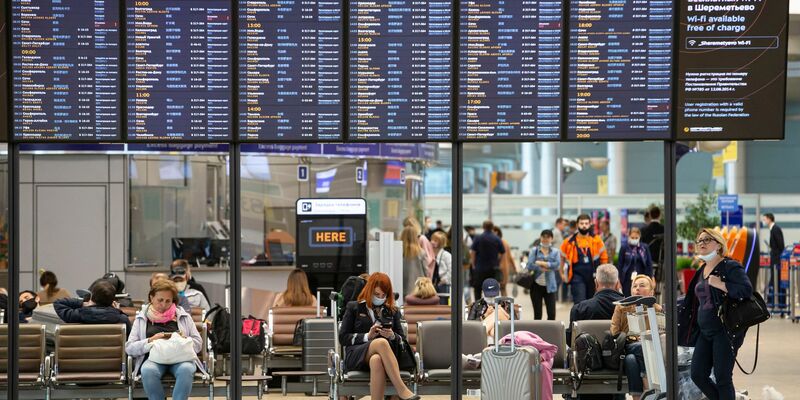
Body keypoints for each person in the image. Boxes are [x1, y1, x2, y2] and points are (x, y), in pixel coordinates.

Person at [678, 228, 752, 400]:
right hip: (705, 332)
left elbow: (746, 290)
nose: (702, 243)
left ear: (718, 244)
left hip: (724, 330)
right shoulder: (701, 270)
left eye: (706, 240)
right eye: (699, 241)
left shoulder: (729, 266)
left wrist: (722, 285)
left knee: (723, 378)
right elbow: (693, 301)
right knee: (697, 374)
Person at [339, 273, 420, 400]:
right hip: (357, 354)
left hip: (384, 358)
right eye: (377, 295)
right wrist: (367, 336)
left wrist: (393, 336)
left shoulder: (392, 311)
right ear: (369, 290)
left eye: (384, 295)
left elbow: (402, 339)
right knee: (381, 343)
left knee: (376, 359)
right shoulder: (354, 307)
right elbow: (343, 337)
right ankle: (401, 389)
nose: (380, 298)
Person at [126, 279, 205, 400]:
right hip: (154, 359)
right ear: (151, 298)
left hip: (181, 358)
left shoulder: (183, 316)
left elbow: (198, 343)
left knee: (187, 369)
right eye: (160, 300)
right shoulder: (141, 318)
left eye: (168, 301)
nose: (163, 305)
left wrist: (185, 340)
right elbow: (130, 347)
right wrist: (150, 341)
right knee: (147, 370)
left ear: (174, 300)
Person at [611, 275, 663, 400]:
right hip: (627, 345)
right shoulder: (621, 307)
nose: (637, 289)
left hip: (651, 348)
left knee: (631, 360)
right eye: (634, 286)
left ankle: (637, 398)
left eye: (642, 285)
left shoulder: (657, 309)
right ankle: (647, 384)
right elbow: (614, 331)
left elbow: (662, 332)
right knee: (640, 347)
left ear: (651, 291)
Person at [567, 264, 623, 346]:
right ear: (618, 284)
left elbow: (571, 341)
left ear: (596, 283)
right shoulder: (628, 307)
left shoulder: (579, 309)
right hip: (622, 356)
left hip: (587, 357)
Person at [561, 214, 609, 304]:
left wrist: (603, 277)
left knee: (592, 303)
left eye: (586, 223)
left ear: (590, 224)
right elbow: (562, 258)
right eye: (581, 223)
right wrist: (562, 273)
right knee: (580, 302)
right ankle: (579, 318)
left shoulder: (597, 240)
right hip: (576, 277)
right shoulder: (568, 241)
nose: (584, 226)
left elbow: (604, 259)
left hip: (594, 277)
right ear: (577, 225)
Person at [54, 279, 131, 335]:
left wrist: (83, 303)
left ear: (91, 298)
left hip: (82, 356)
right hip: (112, 357)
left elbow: (58, 303)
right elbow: (126, 342)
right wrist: (117, 311)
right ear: (112, 302)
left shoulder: (78, 315)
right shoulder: (122, 319)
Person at [527, 229, 561, 320]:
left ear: (552, 239)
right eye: (543, 237)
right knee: (537, 314)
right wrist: (540, 267)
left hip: (550, 286)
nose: (545, 239)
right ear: (540, 237)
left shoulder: (555, 251)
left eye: (548, 237)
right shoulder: (534, 250)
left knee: (552, 314)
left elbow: (557, 264)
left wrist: (543, 263)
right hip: (536, 285)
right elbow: (529, 265)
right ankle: (537, 333)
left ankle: (549, 333)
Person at [469, 220, 505, 300]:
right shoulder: (497, 239)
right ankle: (491, 308)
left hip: (479, 268)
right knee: (492, 290)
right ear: (492, 227)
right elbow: (502, 252)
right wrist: (498, 262)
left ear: (483, 227)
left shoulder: (478, 238)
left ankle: (477, 306)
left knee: (477, 289)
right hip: (492, 269)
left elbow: (473, 252)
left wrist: (473, 264)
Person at [616, 227, 654, 297]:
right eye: (632, 237)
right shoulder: (624, 247)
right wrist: (618, 279)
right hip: (627, 279)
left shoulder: (644, 248)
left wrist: (651, 278)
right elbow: (620, 264)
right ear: (629, 236)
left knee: (641, 298)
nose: (634, 239)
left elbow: (649, 264)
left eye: (636, 238)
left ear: (639, 237)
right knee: (628, 297)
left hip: (641, 277)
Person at [401, 226, 427, 297]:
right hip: (418, 289)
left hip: (401, 288)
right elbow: (426, 272)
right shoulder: (421, 252)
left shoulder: (398, 252)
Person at [492, 226, 515, 296]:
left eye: (492, 232)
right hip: (505, 268)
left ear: (496, 232)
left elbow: (498, 256)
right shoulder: (505, 242)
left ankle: (496, 306)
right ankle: (505, 305)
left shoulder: (497, 242)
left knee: (493, 289)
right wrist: (514, 267)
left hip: (498, 268)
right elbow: (510, 257)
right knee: (503, 288)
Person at [430, 231, 452, 300]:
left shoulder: (446, 255)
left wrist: (444, 280)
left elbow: (451, 269)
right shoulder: (429, 254)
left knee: (443, 304)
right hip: (431, 285)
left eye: (436, 241)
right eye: (432, 240)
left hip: (443, 285)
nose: (432, 242)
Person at [762, 212, 785, 277]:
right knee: (773, 275)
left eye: (764, 219)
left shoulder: (775, 229)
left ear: (769, 219)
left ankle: (776, 287)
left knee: (776, 275)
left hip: (777, 258)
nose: (764, 221)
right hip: (775, 256)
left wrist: (778, 257)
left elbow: (780, 244)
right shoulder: (772, 229)